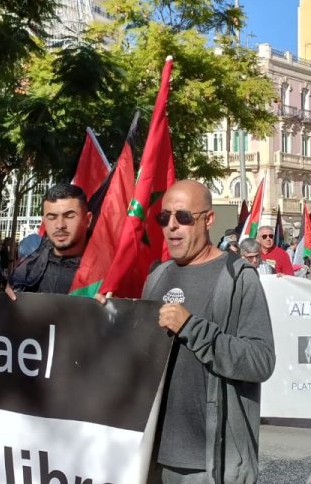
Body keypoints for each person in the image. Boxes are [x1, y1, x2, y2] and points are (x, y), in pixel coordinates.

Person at [120, 180, 274, 482]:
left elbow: (261, 360)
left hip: (209, 463)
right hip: (153, 456)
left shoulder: (238, 277)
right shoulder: (157, 276)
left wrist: (192, 328)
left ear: (209, 219)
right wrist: (113, 318)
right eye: (164, 218)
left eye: (184, 217)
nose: (172, 226)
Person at [9, 184, 92, 296]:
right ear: (44, 221)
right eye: (52, 217)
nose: (60, 225)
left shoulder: (106, 275)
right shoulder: (26, 272)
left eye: (69, 216)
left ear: (87, 220)